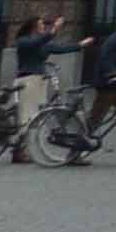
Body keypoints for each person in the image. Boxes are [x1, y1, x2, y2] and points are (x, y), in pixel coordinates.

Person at [66, 11, 116, 164]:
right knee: (94, 121)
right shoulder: (115, 40)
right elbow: (105, 61)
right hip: (108, 86)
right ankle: (73, 154)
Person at [5, 15, 86, 164]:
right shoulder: (24, 41)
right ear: (33, 27)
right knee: (27, 116)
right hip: (28, 80)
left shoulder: (41, 43)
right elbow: (38, 42)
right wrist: (54, 29)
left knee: (34, 116)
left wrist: (80, 45)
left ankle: (20, 149)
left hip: (39, 81)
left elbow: (60, 49)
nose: (43, 26)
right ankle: (19, 151)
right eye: (41, 24)